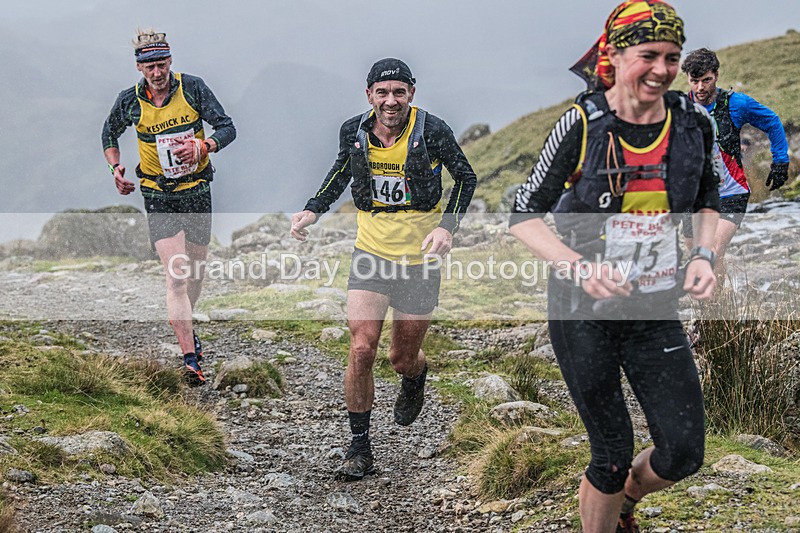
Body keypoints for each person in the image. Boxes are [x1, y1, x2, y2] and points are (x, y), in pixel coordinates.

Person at [509, 2, 720, 532]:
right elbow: (523, 216)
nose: (661, 69)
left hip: (654, 310)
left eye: (671, 57)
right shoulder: (582, 124)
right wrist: (577, 266)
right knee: (610, 454)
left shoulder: (694, 123)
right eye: (648, 54)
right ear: (616, 54)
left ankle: (626, 502)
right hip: (584, 313)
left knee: (684, 452)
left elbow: (709, 200)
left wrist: (703, 254)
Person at [290, 58, 476, 480]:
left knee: (400, 357)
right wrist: (312, 209)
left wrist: (448, 229)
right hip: (371, 253)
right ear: (369, 94)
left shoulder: (431, 130)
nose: (390, 101)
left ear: (411, 94)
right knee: (361, 348)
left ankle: (416, 375)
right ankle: (359, 447)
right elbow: (340, 171)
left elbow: (466, 178)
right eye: (382, 92)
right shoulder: (354, 131)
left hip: (420, 260)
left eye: (399, 92)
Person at [102, 29, 236, 385]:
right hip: (157, 193)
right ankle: (190, 358)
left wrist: (203, 146)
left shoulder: (192, 88)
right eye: (150, 68)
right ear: (139, 67)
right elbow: (108, 134)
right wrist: (115, 167)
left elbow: (227, 127)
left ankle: (188, 326)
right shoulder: (129, 100)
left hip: (196, 190)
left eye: (162, 65)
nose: (157, 74)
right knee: (176, 277)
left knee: (195, 273)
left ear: (170, 62)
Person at [682, 47, 790, 283]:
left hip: (732, 192)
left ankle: (718, 316)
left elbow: (772, 121)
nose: (700, 88)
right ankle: (713, 311)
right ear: (687, 79)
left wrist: (780, 161)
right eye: (695, 81)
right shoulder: (680, 109)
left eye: (706, 80)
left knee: (710, 252)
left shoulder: (736, 104)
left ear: (717, 75)